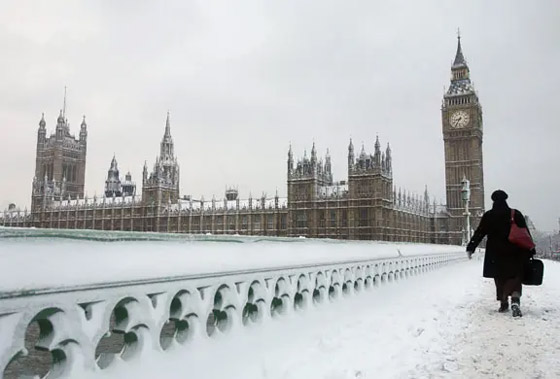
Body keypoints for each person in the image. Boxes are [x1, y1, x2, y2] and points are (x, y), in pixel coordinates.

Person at [466, 190, 535, 317]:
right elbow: (525, 233)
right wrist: (531, 249)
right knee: (515, 276)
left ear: (493, 201)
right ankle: (515, 299)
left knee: (499, 277)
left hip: (495, 253)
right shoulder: (515, 213)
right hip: (515, 252)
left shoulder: (489, 215)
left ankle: (503, 303)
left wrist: (471, 247)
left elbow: (480, 233)